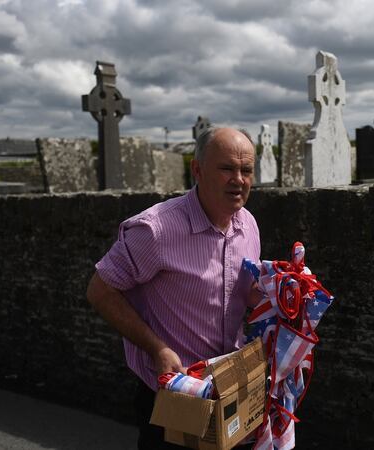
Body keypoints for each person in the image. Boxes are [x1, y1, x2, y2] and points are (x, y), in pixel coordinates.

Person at [87, 127, 262, 449]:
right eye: (226, 168)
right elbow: (100, 291)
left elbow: (242, 291)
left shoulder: (247, 223)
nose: (238, 180)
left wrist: (279, 294)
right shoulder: (156, 230)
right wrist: (158, 349)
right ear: (197, 170)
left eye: (246, 170)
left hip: (230, 387)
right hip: (176, 392)